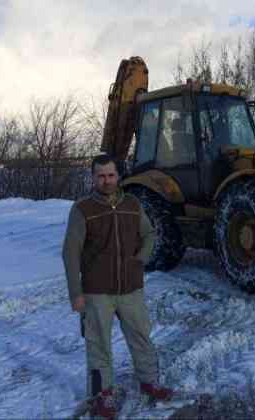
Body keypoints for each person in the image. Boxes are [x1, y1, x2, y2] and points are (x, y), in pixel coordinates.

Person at [62, 154, 173, 419]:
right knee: (98, 344)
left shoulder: (133, 204)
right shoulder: (83, 209)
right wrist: (75, 293)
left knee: (141, 337)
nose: (106, 180)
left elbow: (148, 234)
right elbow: (70, 252)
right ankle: (102, 394)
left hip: (131, 288)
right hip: (97, 291)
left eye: (111, 175)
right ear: (93, 178)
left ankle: (149, 382)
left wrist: (140, 260)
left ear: (118, 176)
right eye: (100, 175)